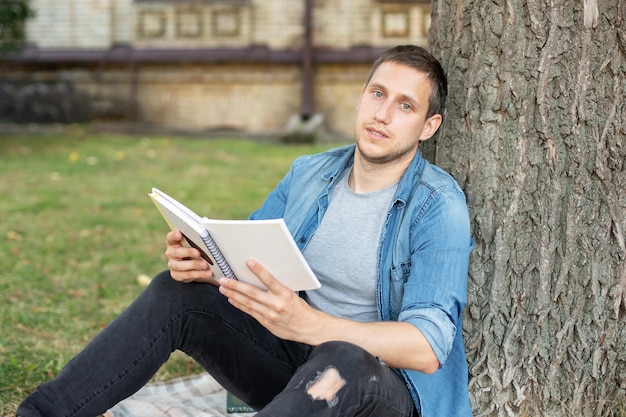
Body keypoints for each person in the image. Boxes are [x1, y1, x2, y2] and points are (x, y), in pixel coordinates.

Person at [17, 44, 473, 417]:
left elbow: (427, 347)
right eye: (377, 94)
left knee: (343, 355)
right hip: (296, 369)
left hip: (376, 390)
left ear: (428, 126)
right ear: (361, 96)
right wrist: (205, 264)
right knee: (176, 294)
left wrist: (312, 325)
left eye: (405, 105)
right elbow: (247, 257)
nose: (383, 114)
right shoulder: (310, 172)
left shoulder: (438, 206)